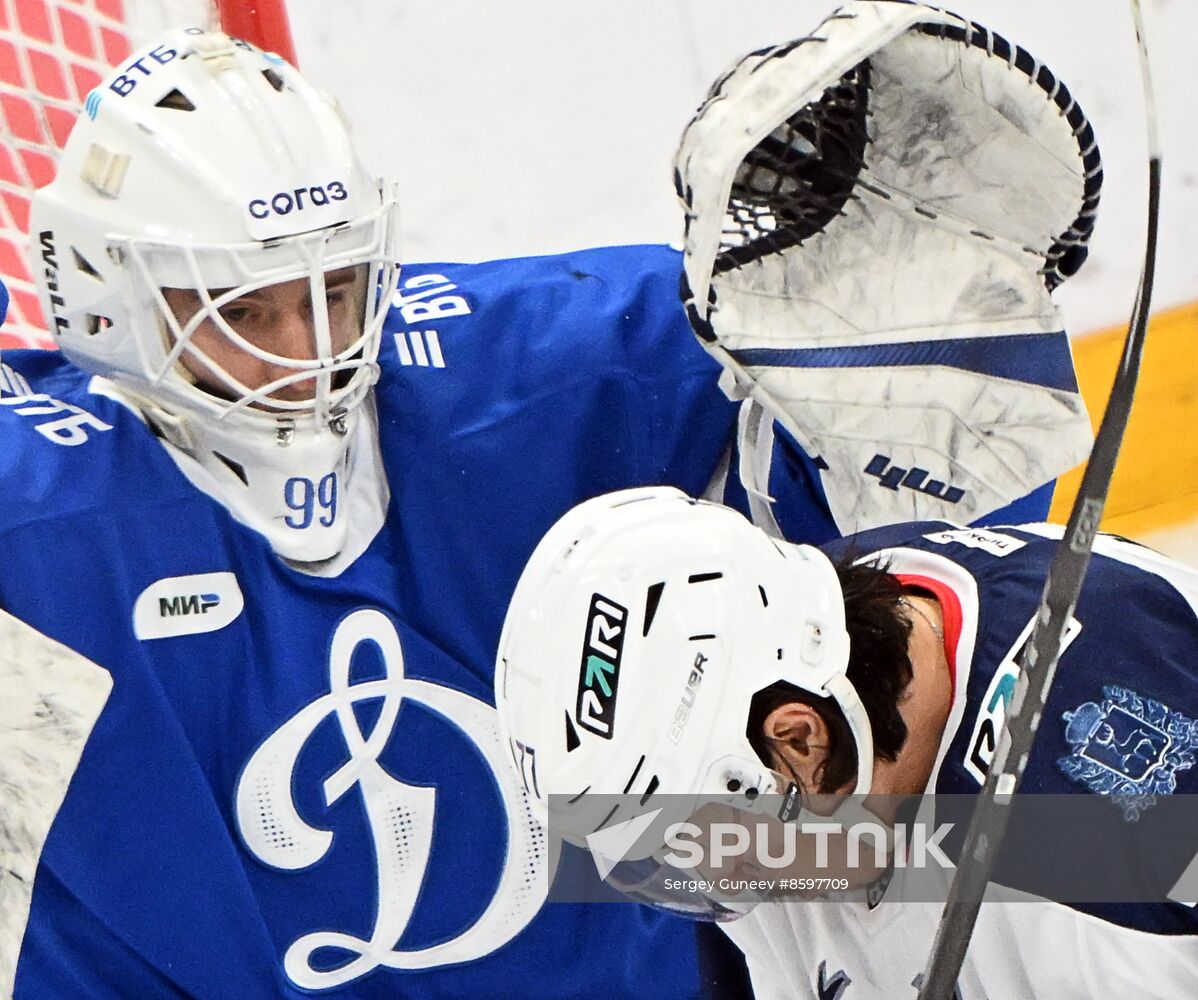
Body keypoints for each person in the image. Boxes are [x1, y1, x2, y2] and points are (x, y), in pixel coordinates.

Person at [0, 4, 1100, 997]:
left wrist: (921, 348)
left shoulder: (534, 373)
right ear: (108, 303)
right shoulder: (44, 513)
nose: (308, 354)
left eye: (334, 289)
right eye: (243, 311)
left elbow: (935, 510)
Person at [494, 485, 1198, 999]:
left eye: (717, 856)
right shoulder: (807, 632)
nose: (728, 887)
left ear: (800, 740)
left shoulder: (1127, 815)